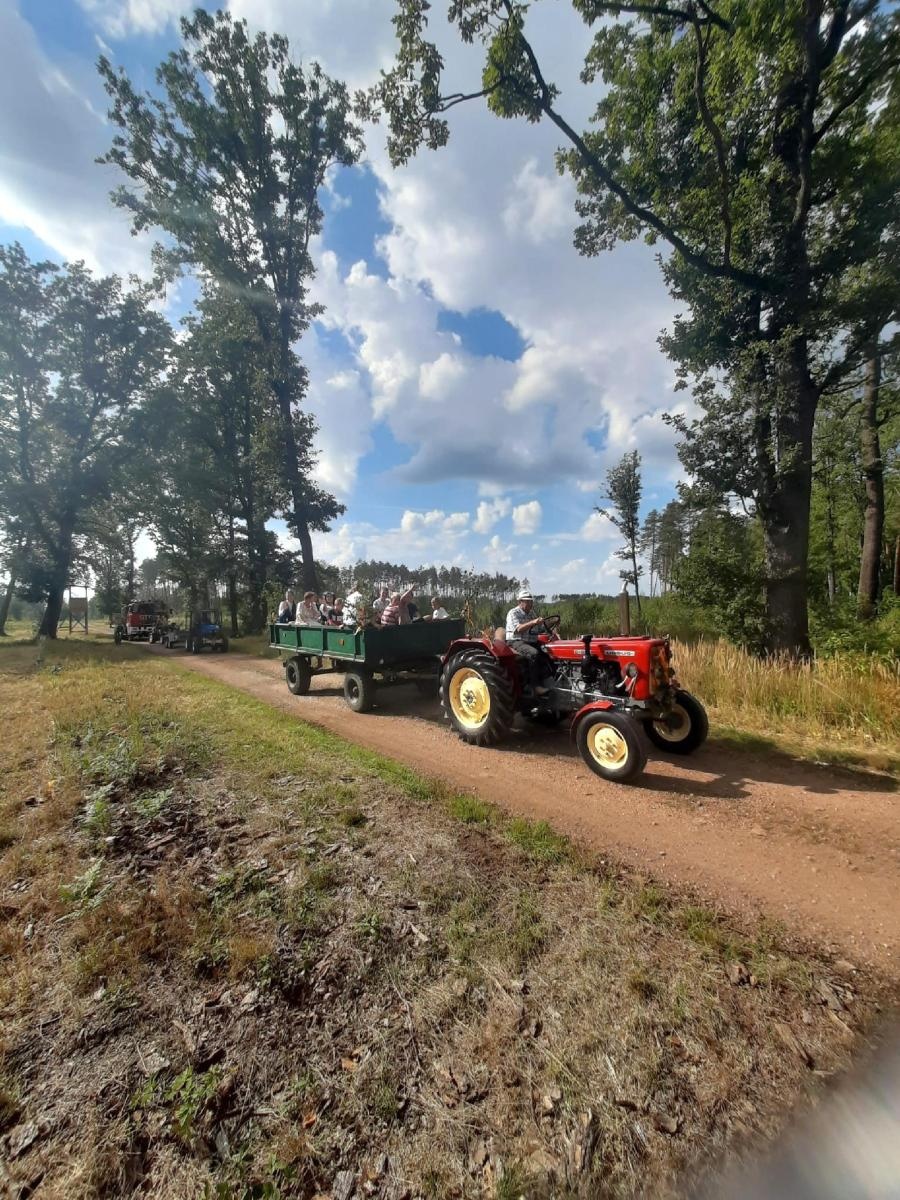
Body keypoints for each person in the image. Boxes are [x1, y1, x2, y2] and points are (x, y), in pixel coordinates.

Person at [505, 590, 553, 693]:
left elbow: (539, 629)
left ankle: (551, 681)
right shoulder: (513, 613)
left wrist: (549, 624)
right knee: (534, 653)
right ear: (520, 602)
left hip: (531, 641)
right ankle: (535, 686)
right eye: (528, 602)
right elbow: (518, 629)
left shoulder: (531, 613)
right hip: (516, 641)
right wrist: (534, 622)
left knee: (548, 652)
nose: (530, 604)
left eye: (531, 602)